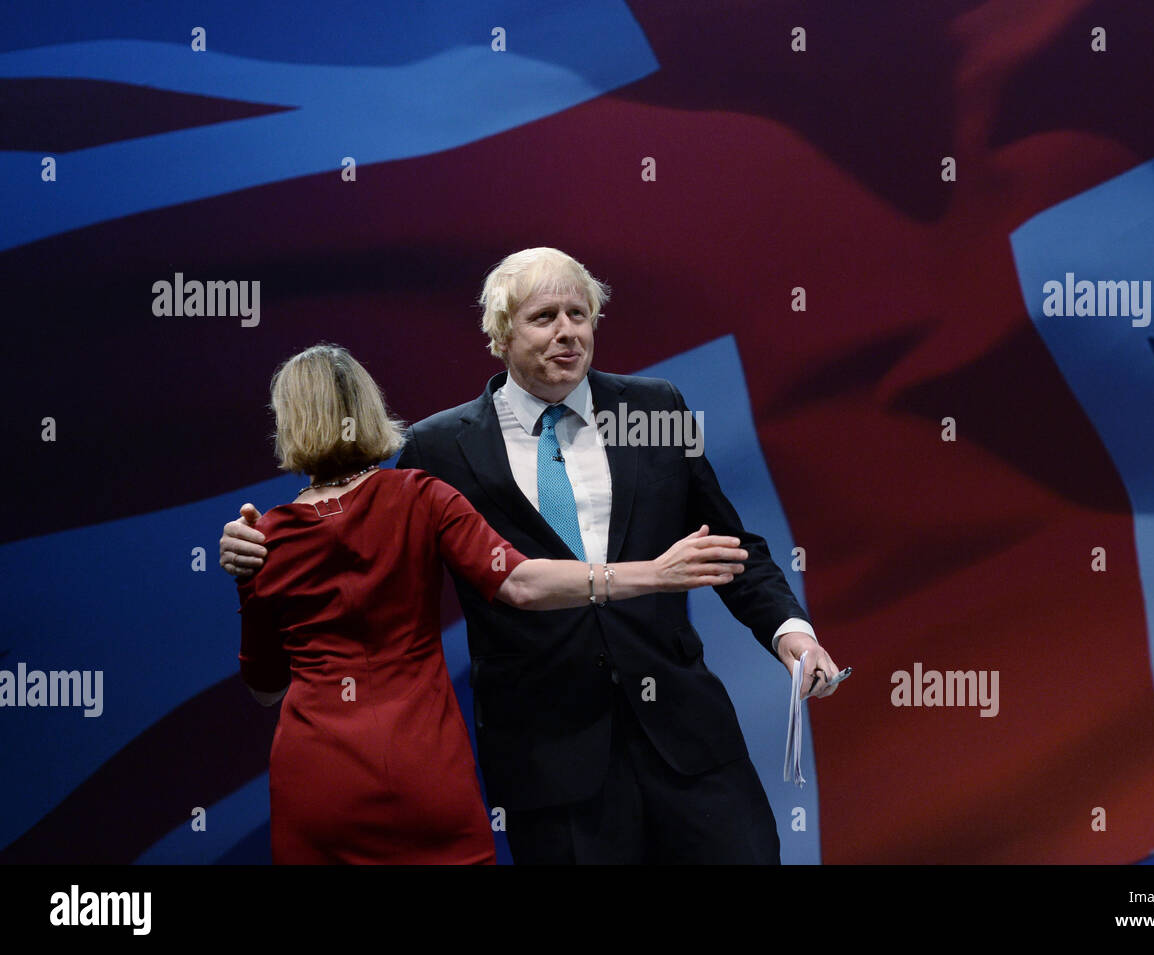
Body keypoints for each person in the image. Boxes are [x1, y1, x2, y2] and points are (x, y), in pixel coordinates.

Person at [223, 248, 841, 864]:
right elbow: (356, 545)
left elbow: (730, 546)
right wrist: (255, 546)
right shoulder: (437, 449)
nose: (568, 330)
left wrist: (791, 632)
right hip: (550, 761)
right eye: (545, 317)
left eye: (580, 313)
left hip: (688, 739)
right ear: (500, 333)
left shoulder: (652, 409)